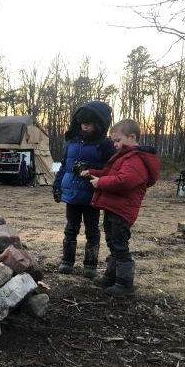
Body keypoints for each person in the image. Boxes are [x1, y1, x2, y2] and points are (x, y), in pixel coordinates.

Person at [81, 119, 160, 297]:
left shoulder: (136, 159)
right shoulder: (125, 157)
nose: (115, 145)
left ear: (132, 137)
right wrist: (93, 173)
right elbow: (112, 175)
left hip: (122, 211)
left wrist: (100, 182)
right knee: (113, 244)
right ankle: (111, 277)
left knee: (120, 246)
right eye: (113, 141)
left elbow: (124, 181)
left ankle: (125, 284)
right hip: (114, 208)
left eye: (117, 141)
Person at [53, 101, 116, 278]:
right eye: (83, 122)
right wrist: (57, 185)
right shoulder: (72, 142)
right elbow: (65, 165)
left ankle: (90, 265)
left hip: (92, 196)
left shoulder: (104, 145)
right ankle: (67, 261)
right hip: (72, 194)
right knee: (71, 228)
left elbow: (111, 169)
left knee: (92, 229)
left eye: (89, 122)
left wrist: (95, 174)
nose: (85, 125)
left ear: (98, 123)